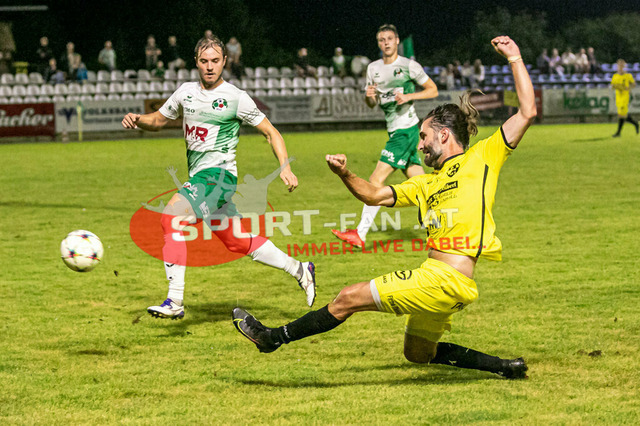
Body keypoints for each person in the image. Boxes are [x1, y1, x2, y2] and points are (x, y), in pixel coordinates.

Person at [233, 35, 535, 380]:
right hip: (442, 280)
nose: (420, 146)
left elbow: (527, 111)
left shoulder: (482, 157)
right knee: (418, 353)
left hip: (445, 279)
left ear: (444, 135)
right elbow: (374, 195)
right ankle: (504, 367)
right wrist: (345, 173)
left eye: (424, 136)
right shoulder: (426, 183)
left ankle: (272, 338)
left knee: (348, 297)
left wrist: (514, 57)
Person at [122, 35, 316, 319]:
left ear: (225, 61)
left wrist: (285, 167)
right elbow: (159, 120)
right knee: (238, 242)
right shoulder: (185, 92)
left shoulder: (236, 97)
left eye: (215, 60)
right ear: (196, 62)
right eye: (204, 61)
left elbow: (271, 132)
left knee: (171, 218)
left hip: (219, 177)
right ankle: (300, 269)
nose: (210, 66)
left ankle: (175, 300)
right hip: (203, 178)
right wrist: (138, 119)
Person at [332, 24, 438, 248]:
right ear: (378, 43)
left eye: (390, 38)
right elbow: (372, 103)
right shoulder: (373, 68)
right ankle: (439, 232)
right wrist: (369, 96)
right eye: (382, 40)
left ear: (397, 40)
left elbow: (433, 90)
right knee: (420, 185)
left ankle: (360, 234)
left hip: (405, 131)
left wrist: (409, 97)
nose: (386, 43)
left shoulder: (408, 66)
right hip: (396, 130)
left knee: (376, 181)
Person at [611, 59, 639, 137]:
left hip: (625, 97)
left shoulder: (628, 76)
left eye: (622, 66)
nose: (620, 67)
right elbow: (612, 86)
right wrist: (616, 86)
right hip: (618, 97)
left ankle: (618, 133)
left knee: (622, 114)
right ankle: (635, 124)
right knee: (622, 115)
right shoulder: (615, 76)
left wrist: (628, 87)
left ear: (624, 67)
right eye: (619, 65)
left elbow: (634, 84)